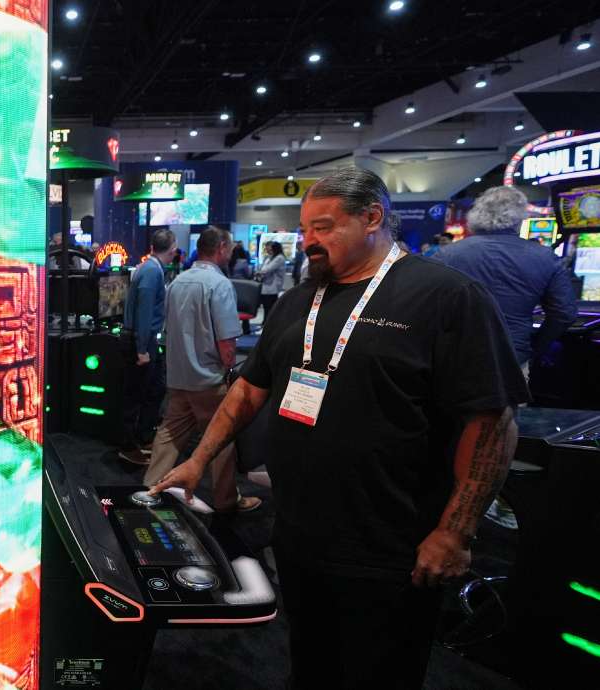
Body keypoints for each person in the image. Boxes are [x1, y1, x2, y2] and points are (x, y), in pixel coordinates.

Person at [150, 167, 527, 689]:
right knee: (311, 663)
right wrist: (197, 459)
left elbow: (492, 423)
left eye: (323, 228)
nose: (309, 242)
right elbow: (248, 389)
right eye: (305, 230)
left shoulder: (445, 296)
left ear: (372, 218)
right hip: (300, 534)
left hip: (391, 547)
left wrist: (456, 531)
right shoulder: (298, 300)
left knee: (378, 673)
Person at [142, 226, 262, 512]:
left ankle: (151, 488)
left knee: (170, 433)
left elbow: (167, 330)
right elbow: (227, 342)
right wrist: (229, 370)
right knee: (220, 439)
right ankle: (226, 500)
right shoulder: (219, 285)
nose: (231, 253)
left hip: (178, 376)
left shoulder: (178, 281)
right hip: (208, 379)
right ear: (221, 247)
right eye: (230, 248)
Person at [433, 186, 578, 375]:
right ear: (520, 218)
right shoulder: (545, 256)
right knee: (505, 405)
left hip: (454, 358)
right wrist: (536, 347)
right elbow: (565, 313)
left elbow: (424, 309)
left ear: (476, 215)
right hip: (512, 359)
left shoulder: (446, 254)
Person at [120, 227, 177, 463]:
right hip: (140, 342)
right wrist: (142, 349)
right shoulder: (152, 271)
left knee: (156, 389)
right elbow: (144, 312)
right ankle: (127, 445)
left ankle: (144, 436)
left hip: (146, 340)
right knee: (135, 395)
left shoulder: (150, 268)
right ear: (172, 250)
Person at [254, 241, 286, 323]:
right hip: (265, 286)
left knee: (270, 307)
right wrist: (259, 272)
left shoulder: (279, 258)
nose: (267, 249)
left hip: (273, 287)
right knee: (266, 306)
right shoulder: (268, 257)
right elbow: (262, 268)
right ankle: (265, 322)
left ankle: (268, 324)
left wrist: (259, 272)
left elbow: (268, 269)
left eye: (269, 248)